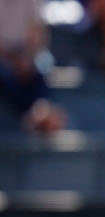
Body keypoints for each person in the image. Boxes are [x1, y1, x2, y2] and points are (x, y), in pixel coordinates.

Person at [0, 0, 68, 135]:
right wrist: (13, 60)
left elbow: (38, 32)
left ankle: (41, 107)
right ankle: (34, 112)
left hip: (27, 53)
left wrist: (27, 57)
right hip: (4, 56)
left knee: (44, 62)